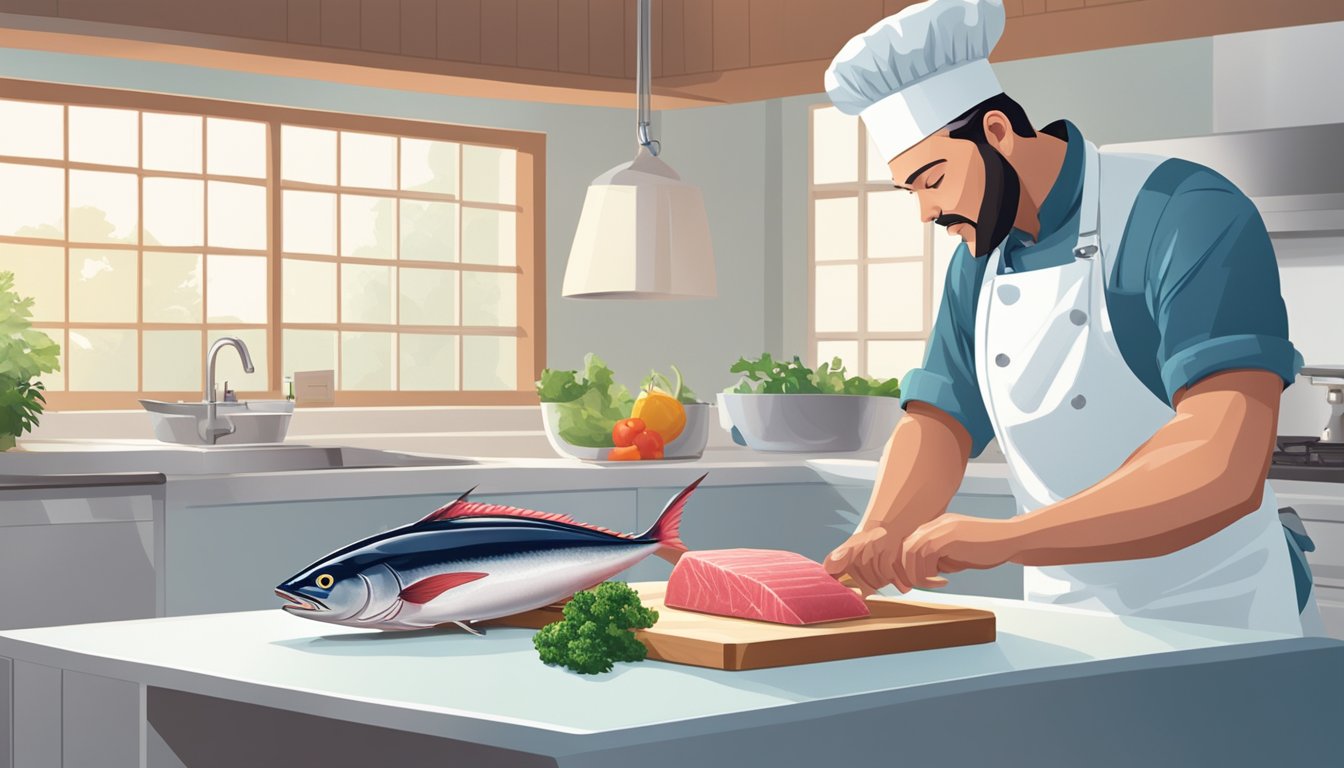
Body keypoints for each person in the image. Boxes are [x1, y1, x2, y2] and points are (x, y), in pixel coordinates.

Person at [820, 0, 1319, 635]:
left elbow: (1222, 459)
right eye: (912, 192)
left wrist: (1014, 538)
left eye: (934, 179)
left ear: (997, 131)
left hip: (1219, 613)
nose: (927, 213)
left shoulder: (1183, 212)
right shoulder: (981, 260)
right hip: (1064, 620)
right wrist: (883, 528)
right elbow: (941, 420)